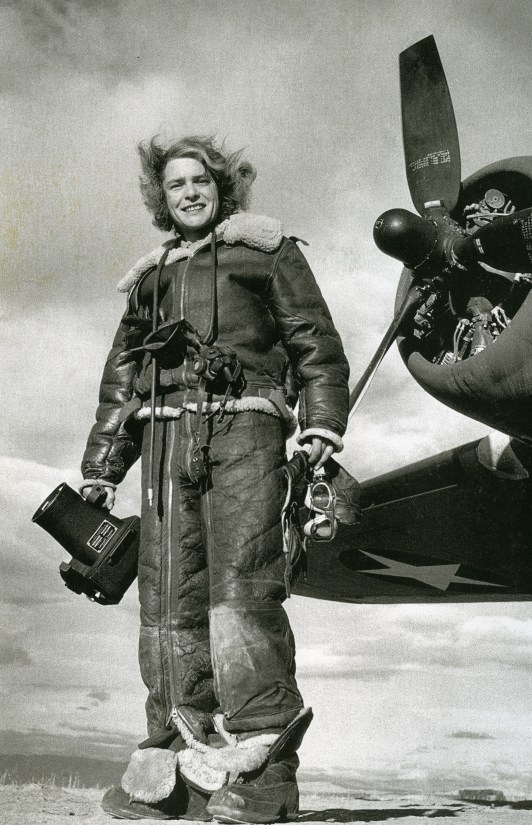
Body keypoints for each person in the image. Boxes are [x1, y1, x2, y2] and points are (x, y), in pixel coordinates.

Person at [79, 135, 350, 821]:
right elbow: (121, 379)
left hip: (247, 431)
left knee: (242, 594)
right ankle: (173, 772)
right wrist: (102, 468)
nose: (190, 193)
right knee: (166, 602)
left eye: (200, 180)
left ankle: (265, 774)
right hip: (164, 440)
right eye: (175, 185)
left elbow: (316, 344)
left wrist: (321, 423)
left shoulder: (269, 253)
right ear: (161, 197)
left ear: (221, 186)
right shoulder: (149, 280)